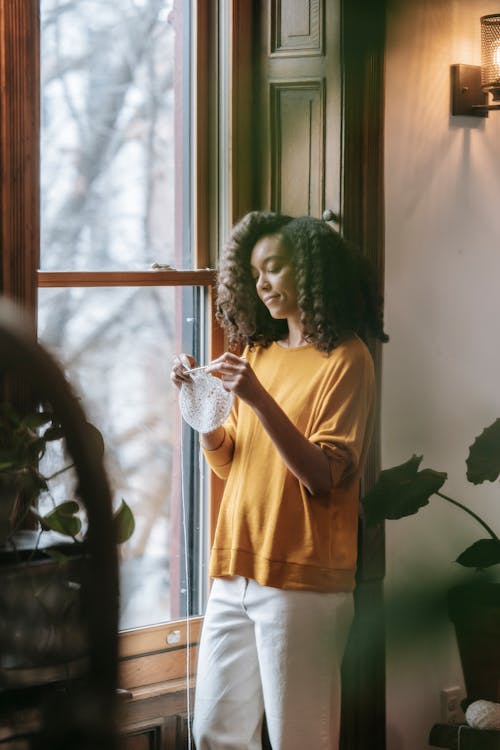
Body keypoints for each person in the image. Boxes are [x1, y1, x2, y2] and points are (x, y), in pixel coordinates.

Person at [171, 211, 388, 750]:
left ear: (311, 272)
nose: (261, 283)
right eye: (254, 273)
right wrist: (201, 406)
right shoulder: (259, 354)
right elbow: (230, 463)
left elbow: (323, 477)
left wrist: (256, 398)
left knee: (301, 740)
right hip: (235, 569)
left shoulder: (348, 359)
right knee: (214, 734)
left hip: (304, 582)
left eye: (274, 268)